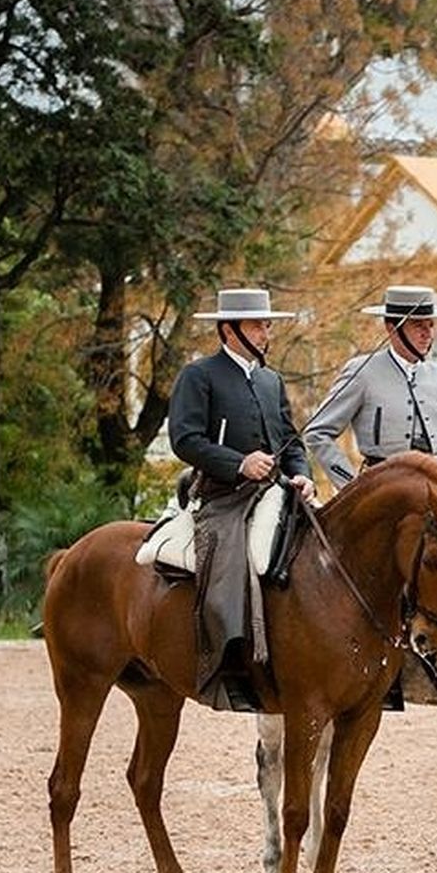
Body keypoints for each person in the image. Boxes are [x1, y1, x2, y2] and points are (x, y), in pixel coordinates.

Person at [167, 288, 314, 711]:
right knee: (235, 556)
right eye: (258, 326)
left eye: (267, 325)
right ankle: (230, 658)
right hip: (224, 496)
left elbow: (290, 441)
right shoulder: (199, 375)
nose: (267, 333)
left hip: (277, 490)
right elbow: (185, 439)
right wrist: (239, 463)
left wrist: (302, 475)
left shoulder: (271, 381)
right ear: (229, 330)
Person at [305, 285, 437, 489]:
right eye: (418, 326)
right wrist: (351, 485)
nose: (428, 334)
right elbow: (317, 432)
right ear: (392, 327)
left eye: (430, 325)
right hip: (382, 489)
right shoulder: (362, 371)